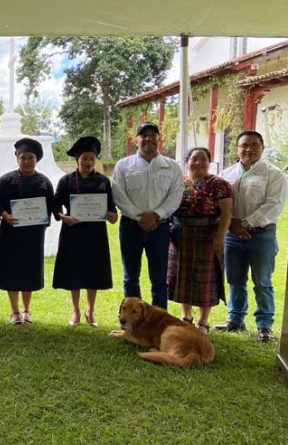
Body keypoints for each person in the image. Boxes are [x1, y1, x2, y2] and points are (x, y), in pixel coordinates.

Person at [215, 130, 288, 341]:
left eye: (254, 145)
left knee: (262, 281)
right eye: (244, 145)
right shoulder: (227, 174)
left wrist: (245, 223)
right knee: (235, 280)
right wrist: (232, 227)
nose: (249, 149)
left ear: (262, 148)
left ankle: (264, 325)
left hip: (261, 236)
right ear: (237, 149)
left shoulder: (274, 175)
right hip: (232, 236)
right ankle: (235, 320)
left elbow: (273, 206)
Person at [112, 122, 184, 309]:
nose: (148, 139)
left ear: (159, 139)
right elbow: (119, 194)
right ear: (136, 140)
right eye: (144, 135)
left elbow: (175, 195)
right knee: (130, 277)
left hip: (160, 227)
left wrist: (156, 215)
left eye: (153, 135)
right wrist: (139, 217)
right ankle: (133, 321)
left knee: (159, 278)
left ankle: (159, 319)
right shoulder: (123, 165)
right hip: (130, 226)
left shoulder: (171, 167)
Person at [166, 147, 232, 335]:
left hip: (208, 236)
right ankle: (186, 317)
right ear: (186, 162)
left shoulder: (219, 184)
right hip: (180, 236)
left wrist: (220, 236)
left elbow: (227, 213)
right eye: (194, 159)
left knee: (206, 280)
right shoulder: (178, 183)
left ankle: (203, 322)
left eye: (203, 159)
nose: (198, 163)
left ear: (209, 162)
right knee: (183, 278)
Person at [52, 136, 117, 327]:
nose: (88, 162)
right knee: (74, 271)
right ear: (77, 160)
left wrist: (113, 216)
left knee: (93, 270)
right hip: (72, 232)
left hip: (95, 234)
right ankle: (75, 311)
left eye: (91, 159)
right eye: (84, 159)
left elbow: (111, 209)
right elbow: (55, 207)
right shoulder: (66, 181)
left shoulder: (103, 181)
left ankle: (90, 310)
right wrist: (64, 218)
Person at [0, 138, 56, 325]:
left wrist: (46, 220)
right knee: (11, 270)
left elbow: (52, 205)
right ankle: (14, 312)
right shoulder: (6, 180)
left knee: (29, 271)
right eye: (23, 157)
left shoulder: (44, 182)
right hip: (10, 232)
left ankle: (27, 310)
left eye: (30, 157)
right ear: (17, 158)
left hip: (33, 235)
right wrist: (5, 215)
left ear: (36, 160)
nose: (27, 161)